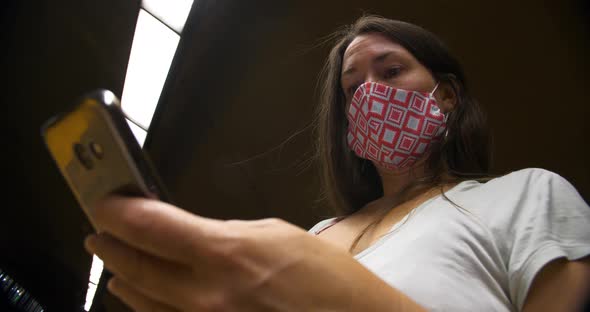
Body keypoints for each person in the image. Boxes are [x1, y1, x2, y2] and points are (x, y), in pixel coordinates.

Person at [84, 16, 590, 311]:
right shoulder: (320, 231)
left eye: (391, 70)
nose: (371, 92)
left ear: (449, 94)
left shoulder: (528, 195)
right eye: (353, 88)